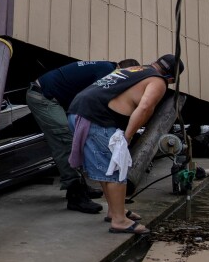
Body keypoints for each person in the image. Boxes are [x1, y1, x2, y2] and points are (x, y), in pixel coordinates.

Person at [68, 54, 184, 234]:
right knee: (117, 166)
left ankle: (115, 211)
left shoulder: (134, 70)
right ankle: (119, 220)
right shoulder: (158, 81)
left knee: (105, 168)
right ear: (170, 79)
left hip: (78, 110)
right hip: (98, 117)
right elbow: (145, 107)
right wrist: (127, 137)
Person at [26, 58, 140, 213]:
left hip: (55, 97)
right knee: (65, 140)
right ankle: (76, 195)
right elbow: (98, 102)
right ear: (122, 71)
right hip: (44, 97)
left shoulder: (106, 67)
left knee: (79, 136)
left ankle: (81, 185)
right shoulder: (107, 73)